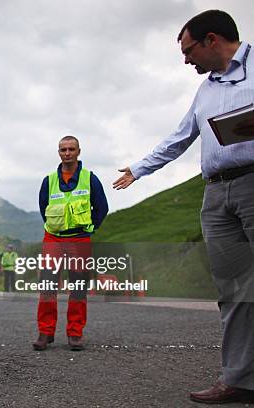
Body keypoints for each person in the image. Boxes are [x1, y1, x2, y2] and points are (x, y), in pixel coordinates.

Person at [113, 10, 254, 404]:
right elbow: (180, 137)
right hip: (216, 194)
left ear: (212, 40)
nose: (186, 60)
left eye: (189, 50)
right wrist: (140, 168)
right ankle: (239, 379)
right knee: (235, 290)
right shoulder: (206, 90)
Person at [33, 135, 108, 352]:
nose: (67, 153)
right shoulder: (49, 180)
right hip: (53, 239)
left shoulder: (90, 178)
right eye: (63, 149)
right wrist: (55, 228)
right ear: (59, 152)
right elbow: (43, 208)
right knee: (47, 287)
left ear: (78, 151)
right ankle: (45, 333)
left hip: (79, 239)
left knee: (77, 289)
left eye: (71, 149)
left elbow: (101, 208)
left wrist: (90, 229)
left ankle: (75, 334)